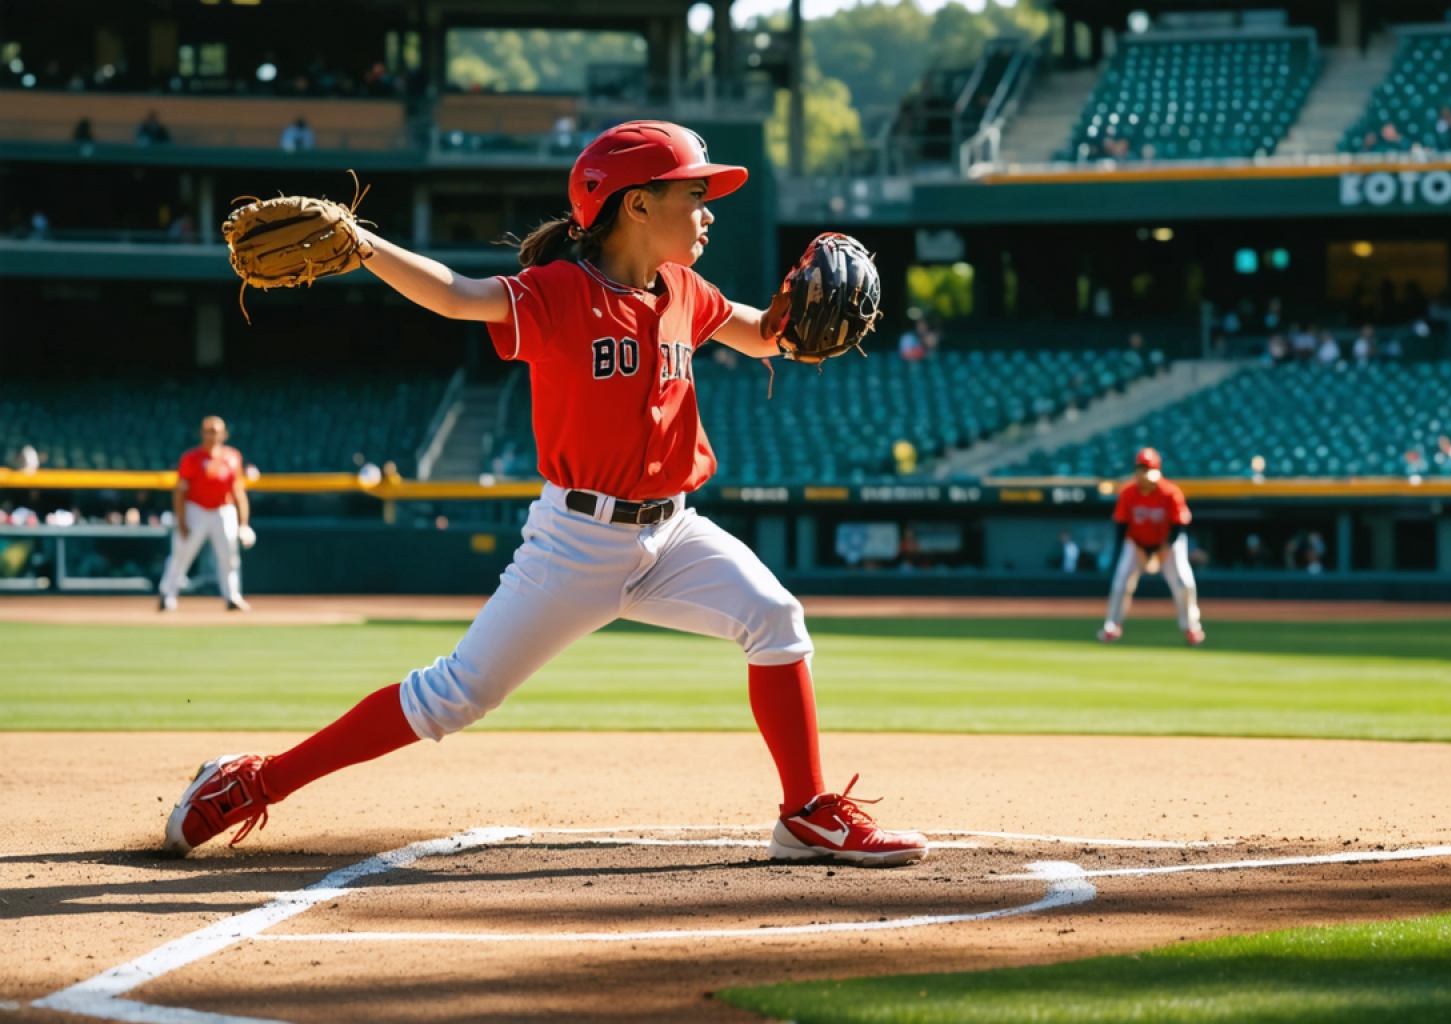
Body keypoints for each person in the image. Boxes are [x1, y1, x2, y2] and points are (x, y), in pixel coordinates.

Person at [161, 120, 927, 867]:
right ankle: (256, 780)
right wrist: (365, 246)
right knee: (450, 697)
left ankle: (805, 813)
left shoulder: (686, 291)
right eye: (694, 195)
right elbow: (461, 296)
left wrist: (799, 314)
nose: (708, 211)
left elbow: (765, 336)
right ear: (636, 205)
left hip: (674, 532)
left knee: (776, 620)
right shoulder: (559, 292)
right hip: (578, 544)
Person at [1097, 447, 1204, 646]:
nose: (1144, 474)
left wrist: (1163, 552)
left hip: (1169, 543)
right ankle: (1112, 626)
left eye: (1148, 469)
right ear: (1136, 470)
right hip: (1136, 542)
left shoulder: (1170, 492)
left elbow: (1179, 526)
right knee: (1121, 582)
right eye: (1141, 469)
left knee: (1185, 583)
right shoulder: (1128, 493)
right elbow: (1121, 528)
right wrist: (1140, 551)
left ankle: (1191, 627)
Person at [156, 416, 251, 612]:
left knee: (229, 556)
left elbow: (238, 492)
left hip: (223, 510)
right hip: (195, 509)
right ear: (202, 433)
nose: (212, 435)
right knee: (181, 554)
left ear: (224, 434)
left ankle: (232, 596)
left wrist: (243, 524)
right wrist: (181, 520)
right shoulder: (191, 458)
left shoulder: (233, 456)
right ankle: (168, 594)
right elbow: (180, 491)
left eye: (216, 431)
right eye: (209, 431)